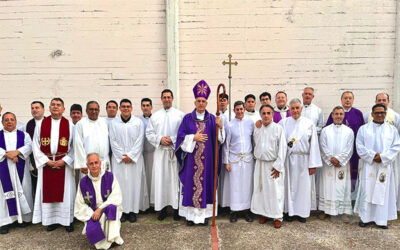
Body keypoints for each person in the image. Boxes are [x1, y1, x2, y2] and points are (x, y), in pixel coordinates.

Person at [175, 80, 225, 226]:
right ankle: (191, 217)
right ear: (195, 102)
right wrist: (193, 138)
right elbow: (179, 138)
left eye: (203, 101)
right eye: (199, 101)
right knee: (191, 186)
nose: (201, 103)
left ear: (207, 103)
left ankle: (203, 217)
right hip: (191, 162)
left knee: (206, 186)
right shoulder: (187, 119)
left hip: (207, 162)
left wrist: (221, 127)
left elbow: (220, 140)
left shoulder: (212, 119)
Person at [32, 98, 75, 232]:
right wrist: (46, 161)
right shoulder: (41, 124)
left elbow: (74, 147)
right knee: (48, 192)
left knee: (66, 193)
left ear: (63, 109)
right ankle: (51, 220)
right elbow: (35, 145)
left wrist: (65, 160)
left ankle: (67, 220)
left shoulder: (69, 125)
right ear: (49, 108)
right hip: (47, 164)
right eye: (53, 105)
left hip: (64, 164)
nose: (55, 107)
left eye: (58, 105)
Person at [354, 104, 400, 229]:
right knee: (368, 190)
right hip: (369, 165)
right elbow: (359, 146)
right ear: (372, 114)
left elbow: (396, 147)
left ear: (385, 113)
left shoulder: (392, 130)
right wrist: (373, 156)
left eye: (382, 112)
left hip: (384, 166)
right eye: (377, 112)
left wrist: (383, 157)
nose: (380, 115)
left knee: (382, 192)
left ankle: (381, 219)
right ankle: (365, 218)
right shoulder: (364, 129)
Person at [279, 98, 322, 223]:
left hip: (304, 160)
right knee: (289, 186)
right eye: (292, 108)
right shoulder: (283, 123)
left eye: (297, 108)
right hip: (289, 159)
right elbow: (280, 143)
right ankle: (289, 212)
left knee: (303, 188)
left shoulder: (309, 124)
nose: (295, 110)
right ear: (289, 109)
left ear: (301, 109)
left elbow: (314, 144)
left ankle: (302, 213)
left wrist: (313, 164)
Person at [146, 89, 184, 221]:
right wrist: (160, 139)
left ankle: (176, 209)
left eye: (169, 97)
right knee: (160, 180)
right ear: (161, 99)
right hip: (161, 152)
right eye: (164, 97)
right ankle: (161, 209)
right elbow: (149, 133)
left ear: (172, 99)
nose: (167, 99)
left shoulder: (180, 115)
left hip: (174, 152)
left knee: (174, 180)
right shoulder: (155, 116)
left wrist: (173, 139)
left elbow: (183, 133)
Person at [109, 99, 149, 223]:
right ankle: (122, 211)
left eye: (128, 107)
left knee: (134, 185)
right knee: (119, 185)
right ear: (120, 108)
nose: (126, 109)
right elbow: (112, 140)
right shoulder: (114, 123)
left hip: (134, 160)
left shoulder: (138, 122)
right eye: (123, 107)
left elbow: (140, 140)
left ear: (131, 108)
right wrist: (122, 156)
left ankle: (132, 211)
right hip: (119, 161)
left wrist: (131, 155)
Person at [75, 153, 123, 249]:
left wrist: (100, 209)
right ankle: (104, 243)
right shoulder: (83, 182)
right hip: (92, 212)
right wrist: (91, 214)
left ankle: (112, 239)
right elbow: (80, 204)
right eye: (91, 163)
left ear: (100, 163)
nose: (94, 166)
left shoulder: (110, 177)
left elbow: (116, 197)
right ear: (87, 165)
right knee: (93, 231)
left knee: (112, 208)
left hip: (107, 208)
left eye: (96, 162)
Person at [251, 105, 287, 228]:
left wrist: (278, 166)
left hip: (273, 164)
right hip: (260, 163)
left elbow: (283, 148)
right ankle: (264, 213)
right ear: (260, 115)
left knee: (275, 191)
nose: (266, 115)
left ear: (272, 114)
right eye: (264, 113)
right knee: (262, 190)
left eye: (268, 113)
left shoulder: (278, 129)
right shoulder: (258, 128)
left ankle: (277, 216)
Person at [318, 106, 354, 222]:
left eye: (340, 114)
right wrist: (331, 159)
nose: (338, 116)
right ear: (332, 115)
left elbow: (349, 148)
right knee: (327, 185)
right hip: (328, 165)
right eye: (336, 114)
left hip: (342, 165)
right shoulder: (325, 130)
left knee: (342, 186)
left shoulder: (349, 131)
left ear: (343, 116)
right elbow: (322, 146)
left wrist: (339, 160)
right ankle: (325, 210)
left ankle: (343, 211)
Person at [0, 112, 33, 234]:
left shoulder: (24, 134)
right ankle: (5, 221)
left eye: (12, 119)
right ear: (2, 122)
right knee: (3, 195)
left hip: (20, 167)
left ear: (16, 121)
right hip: (3, 168)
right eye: (6, 120)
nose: (9, 122)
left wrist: (17, 153)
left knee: (23, 190)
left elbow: (29, 147)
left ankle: (23, 218)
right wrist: (8, 155)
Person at [326, 91, 364, 196]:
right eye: (345, 98)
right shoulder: (334, 113)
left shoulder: (358, 113)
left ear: (353, 100)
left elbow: (362, 132)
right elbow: (328, 130)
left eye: (350, 98)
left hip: (353, 149)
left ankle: (350, 195)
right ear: (341, 100)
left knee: (352, 171)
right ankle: (335, 195)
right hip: (337, 151)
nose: (347, 100)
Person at [222, 101, 254, 222]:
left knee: (246, 185)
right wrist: (226, 162)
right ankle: (234, 211)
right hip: (234, 159)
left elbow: (253, 139)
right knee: (235, 186)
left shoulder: (250, 123)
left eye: (241, 109)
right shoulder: (230, 125)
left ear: (244, 109)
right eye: (237, 109)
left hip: (247, 159)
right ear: (234, 110)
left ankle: (246, 211)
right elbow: (226, 145)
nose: (240, 111)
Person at [74, 101, 110, 178]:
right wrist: (82, 164)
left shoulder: (104, 122)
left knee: (105, 187)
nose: (94, 112)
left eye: (96, 109)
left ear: (99, 111)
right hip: (89, 165)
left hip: (104, 162)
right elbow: (78, 145)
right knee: (89, 188)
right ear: (86, 111)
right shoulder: (80, 124)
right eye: (91, 109)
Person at [24, 101, 45, 197]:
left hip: (48, 161)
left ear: (43, 110)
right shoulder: (28, 125)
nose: (34, 110)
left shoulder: (50, 122)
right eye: (32, 108)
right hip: (33, 163)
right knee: (36, 189)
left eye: (37, 107)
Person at [139, 98, 155, 211]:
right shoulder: (137, 121)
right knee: (143, 179)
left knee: (153, 178)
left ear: (151, 107)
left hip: (154, 153)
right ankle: (145, 203)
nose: (145, 107)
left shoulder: (156, 119)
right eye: (143, 105)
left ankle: (154, 203)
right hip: (141, 154)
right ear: (141, 107)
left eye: (147, 105)